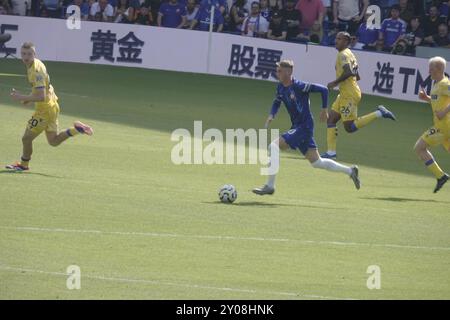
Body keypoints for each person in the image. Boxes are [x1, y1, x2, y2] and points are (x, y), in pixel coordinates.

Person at [252, 60, 360, 195]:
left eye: (279, 71)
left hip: (304, 126)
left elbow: (323, 89)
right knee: (317, 162)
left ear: (288, 72)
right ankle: (351, 171)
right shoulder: (280, 87)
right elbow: (277, 101)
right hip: (298, 126)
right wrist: (271, 115)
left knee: (273, 146)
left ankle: (270, 186)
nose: (277, 73)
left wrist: (324, 109)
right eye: (277, 70)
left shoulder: (299, 86)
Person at [6, 42, 93, 172]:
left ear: (34, 54)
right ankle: (76, 129)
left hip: (44, 110)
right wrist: (29, 98)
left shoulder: (36, 71)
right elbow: (40, 89)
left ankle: (24, 165)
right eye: (23, 54)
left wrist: (22, 97)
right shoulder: (35, 65)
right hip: (52, 106)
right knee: (53, 141)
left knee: (26, 138)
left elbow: (41, 96)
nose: (26, 57)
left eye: (29, 54)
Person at [322, 32, 396, 159]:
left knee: (349, 127)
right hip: (346, 92)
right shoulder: (350, 53)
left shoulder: (343, 54)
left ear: (346, 41)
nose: (336, 41)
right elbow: (356, 72)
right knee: (331, 119)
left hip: (349, 94)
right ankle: (331, 152)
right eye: (336, 38)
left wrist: (335, 82)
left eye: (339, 39)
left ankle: (379, 113)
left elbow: (349, 71)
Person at [414, 56, 450, 193]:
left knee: (419, 148)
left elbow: (444, 107)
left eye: (431, 68)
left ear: (439, 69)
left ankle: (440, 176)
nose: (429, 71)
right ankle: (441, 176)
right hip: (444, 126)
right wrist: (426, 98)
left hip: (443, 126)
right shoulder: (436, 83)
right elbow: (437, 102)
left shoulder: (445, 84)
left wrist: (444, 112)